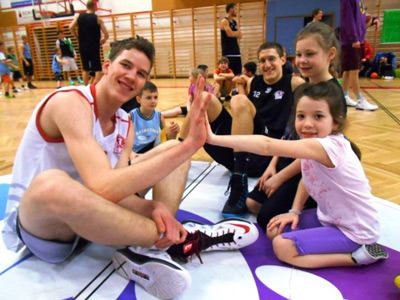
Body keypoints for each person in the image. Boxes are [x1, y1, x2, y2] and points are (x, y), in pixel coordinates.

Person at [2, 36, 258, 299]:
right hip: (46, 229)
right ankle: (181, 237)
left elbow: (115, 191)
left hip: (94, 222)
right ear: (107, 65)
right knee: (53, 185)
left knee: (170, 151)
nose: (131, 76)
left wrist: (154, 207)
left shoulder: (125, 122)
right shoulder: (69, 102)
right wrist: (189, 144)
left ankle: (151, 247)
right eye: (125, 65)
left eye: (140, 73)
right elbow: (101, 185)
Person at [206, 81, 389, 268]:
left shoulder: (328, 146)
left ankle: (358, 256)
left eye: (318, 116)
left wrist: (212, 138)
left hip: (355, 231)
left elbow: (267, 145)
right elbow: (308, 179)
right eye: (301, 116)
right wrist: (294, 212)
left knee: (282, 246)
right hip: (330, 219)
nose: (307, 124)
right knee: (274, 229)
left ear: (335, 122)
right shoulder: (312, 146)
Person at [180, 42, 305, 218]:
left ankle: (239, 180)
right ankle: (174, 152)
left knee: (238, 100)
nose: (267, 64)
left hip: (269, 152)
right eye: (262, 61)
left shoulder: (294, 83)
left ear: (283, 60)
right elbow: (244, 114)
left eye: (272, 59)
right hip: (243, 151)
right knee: (205, 98)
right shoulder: (254, 82)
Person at [249, 23, 346, 230]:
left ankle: (316, 205)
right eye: (299, 54)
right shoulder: (304, 88)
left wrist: (280, 177)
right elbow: (289, 131)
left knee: (266, 219)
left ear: (330, 54)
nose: (302, 61)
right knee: (252, 204)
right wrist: (272, 165)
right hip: (291, 158)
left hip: (308, 168)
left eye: (310, 54)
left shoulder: (333, 95)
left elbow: (314, 153)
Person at [340, 0, 378, 111]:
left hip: (357, 39)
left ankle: (344, 96)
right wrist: (353, 37)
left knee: (347, 71)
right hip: (352, 40)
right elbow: (348, 18)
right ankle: (360, 99)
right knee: (354, 70)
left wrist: (373, 20)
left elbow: (361, 18)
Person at [131, 81, 180, 154]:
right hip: (136, 152)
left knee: (171, 128)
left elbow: (166, 137)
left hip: (154, 149)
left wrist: (175, 128)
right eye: (149, 98)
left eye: (155, 97)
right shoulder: (131, 116)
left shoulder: (159, 115)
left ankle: (167, 155)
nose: (153, 101)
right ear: (139, 99)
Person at [69, 0, 109, 85]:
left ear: (86, 7)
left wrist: (77, 38)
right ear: (94, 7)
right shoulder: (97, 18)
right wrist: (104, 40)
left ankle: (85, 87)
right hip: (94, 46)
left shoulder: (78, 17)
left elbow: (70, 27)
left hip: (83, 46)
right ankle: (94, 87)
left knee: (85, 69)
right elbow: (106, 34)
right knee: (97, 68)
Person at [220, 3, 242, 75]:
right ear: (231, 9)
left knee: (238, 73)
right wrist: (236, 33)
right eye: (235, 9)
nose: (236, 11)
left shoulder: (234, 22)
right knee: (229, 74)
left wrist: (235, 33)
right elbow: (229, 34)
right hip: (228, 52)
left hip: (236, 51)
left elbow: (240, 35)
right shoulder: (224, 21)